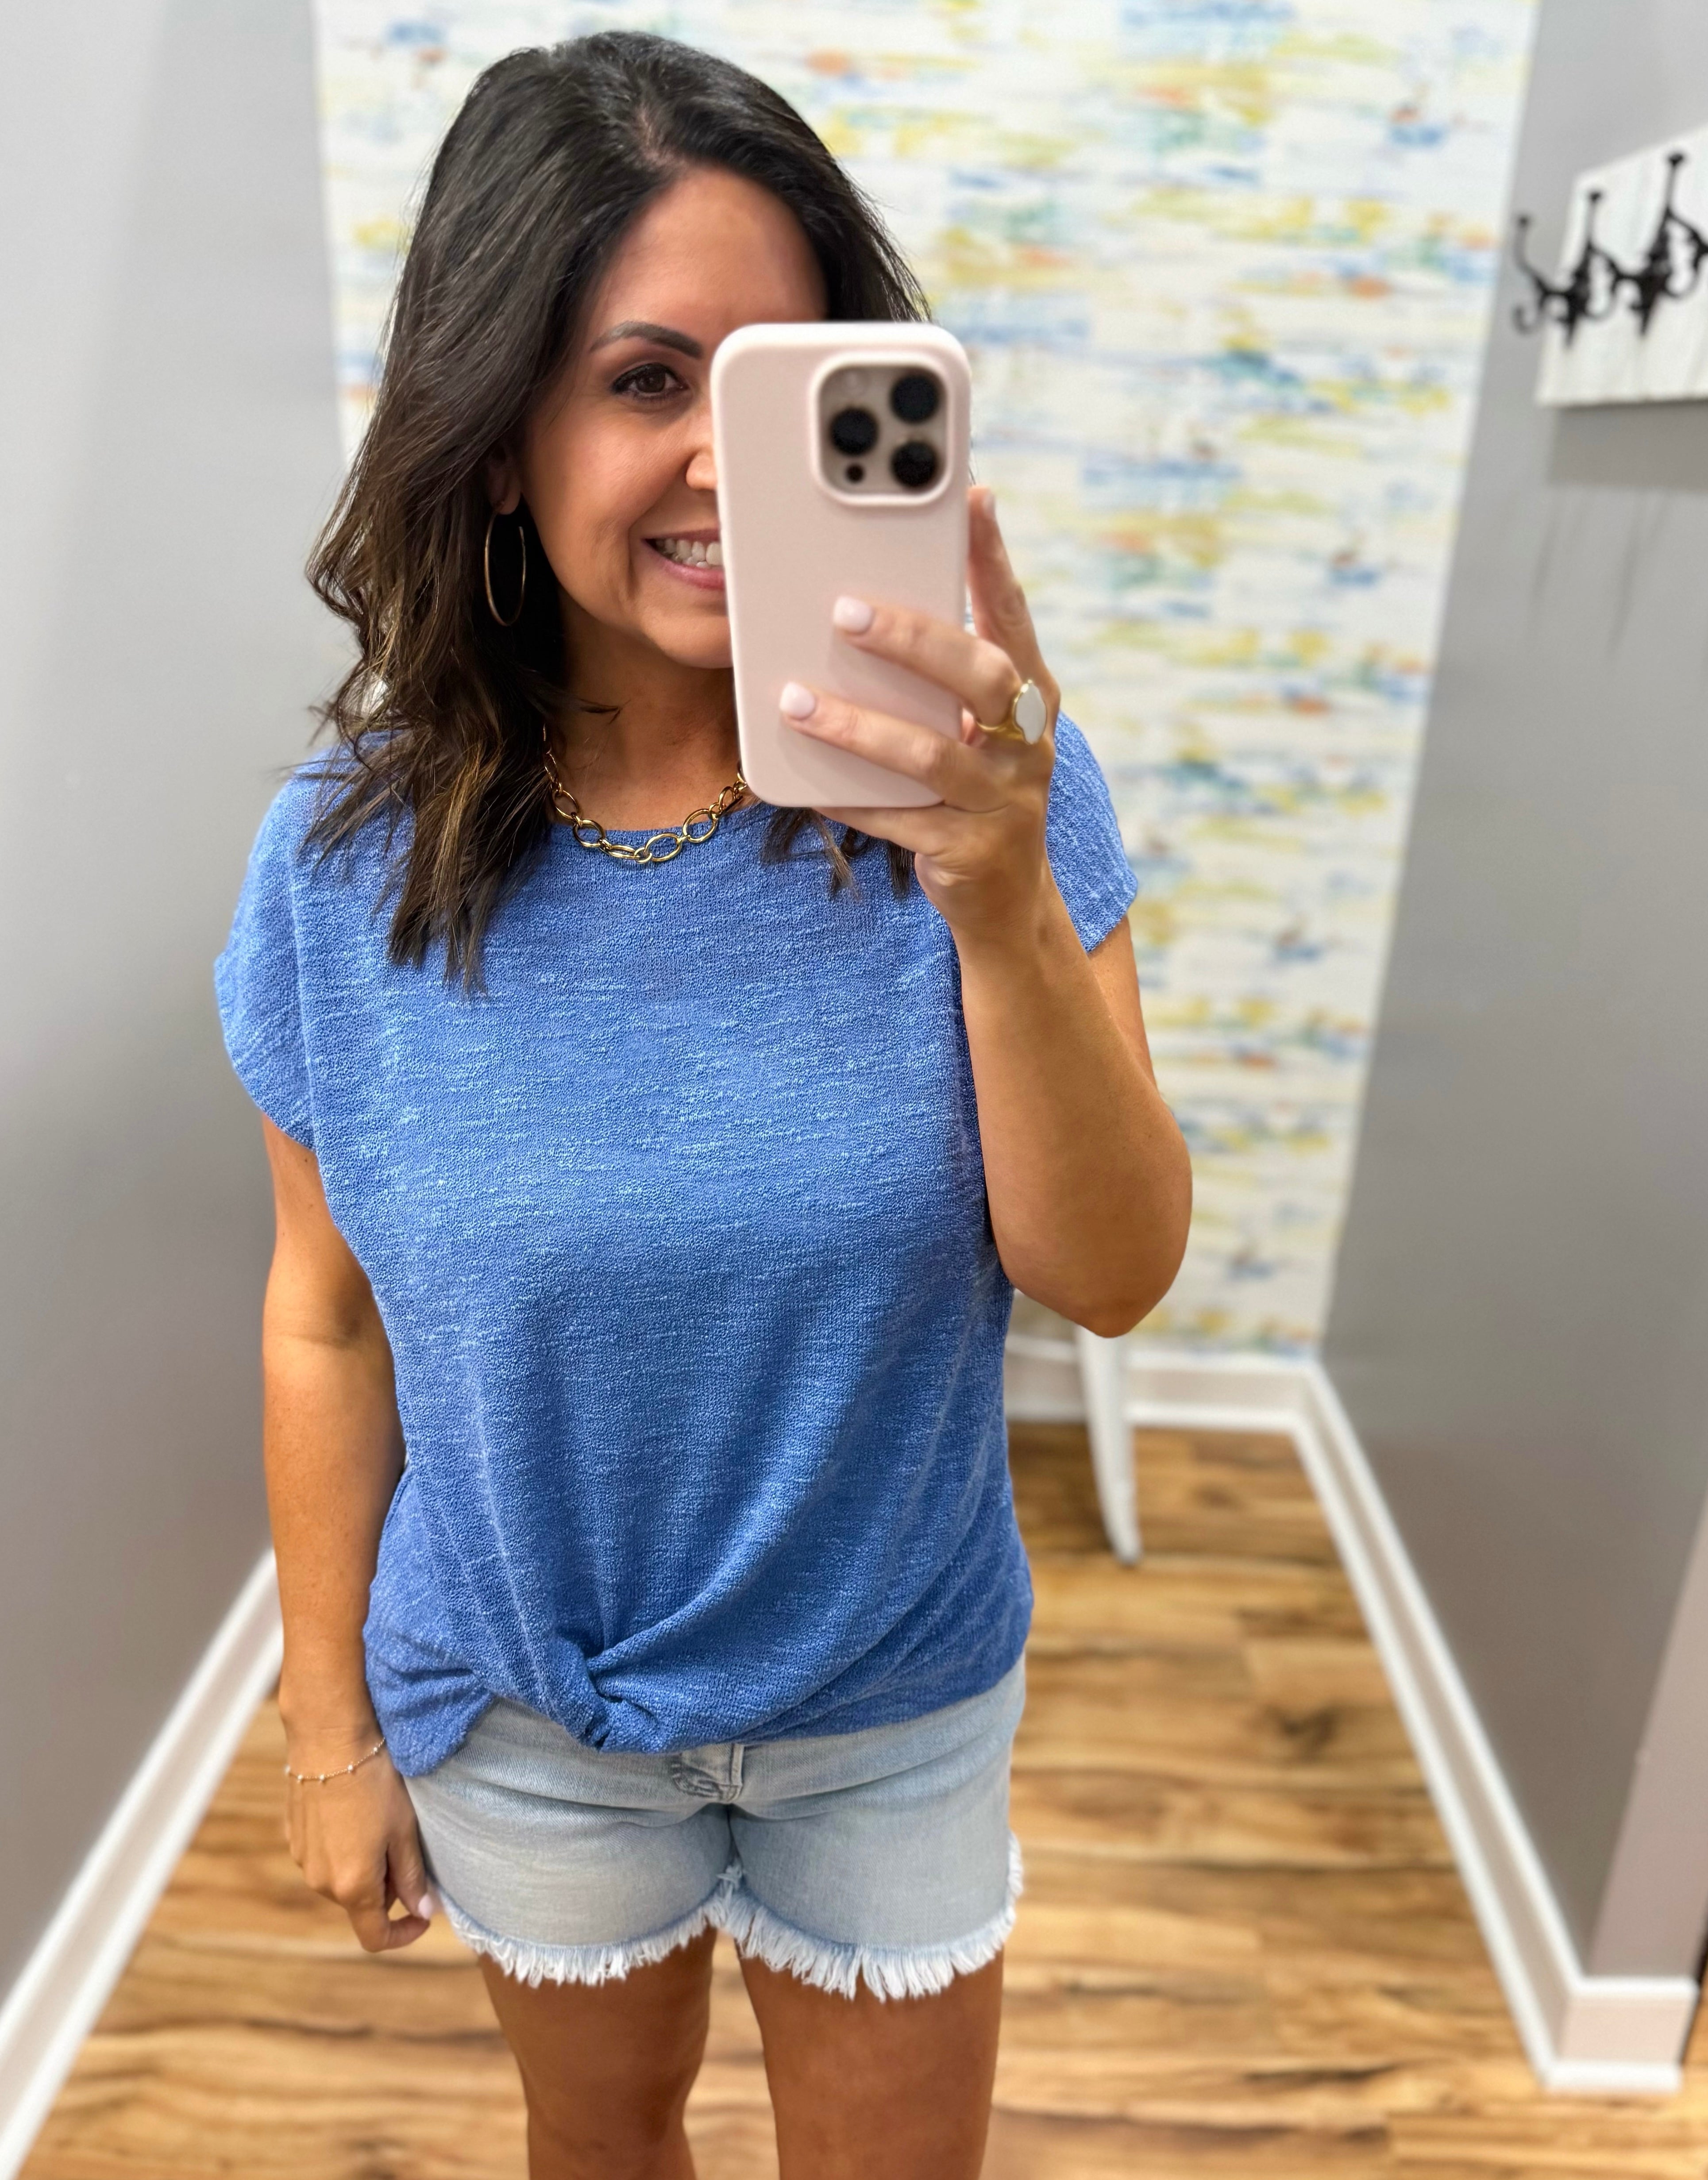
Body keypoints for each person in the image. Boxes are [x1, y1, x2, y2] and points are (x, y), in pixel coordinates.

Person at [216, 30, 1190, 2180]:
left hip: (891, 1696)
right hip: (525, 1707)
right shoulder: (341, 861)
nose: (725, 467)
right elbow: (324, 1313)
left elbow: (1108, 1275)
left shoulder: (993, 795)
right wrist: (322, 1723)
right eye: (650, 382)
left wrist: (998, 894)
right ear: (493, 437)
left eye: (783, 387)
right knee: (603, 2155)